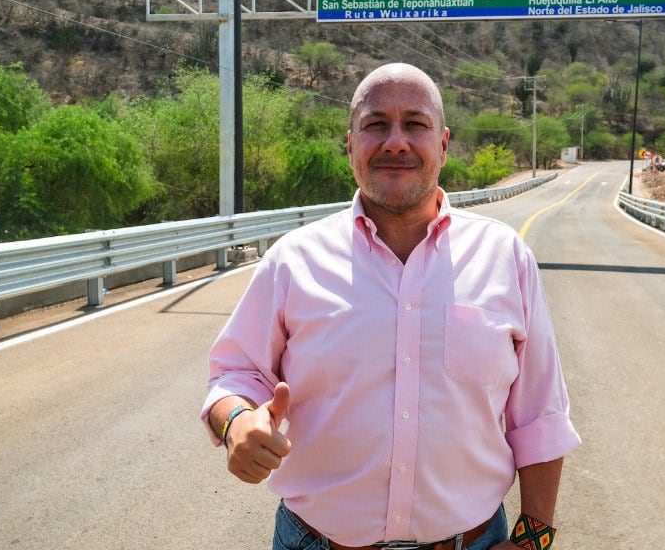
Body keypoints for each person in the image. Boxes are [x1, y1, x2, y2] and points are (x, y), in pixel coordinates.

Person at [202, 63, 580, 550]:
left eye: (415, 124)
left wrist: (534, 541)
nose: (396, 141)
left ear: (443, 144)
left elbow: (540, 412)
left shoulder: (505, 256)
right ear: (351, 144)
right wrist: (236, 422)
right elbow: (233, 373)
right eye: (376, 124)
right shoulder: (293, 261)